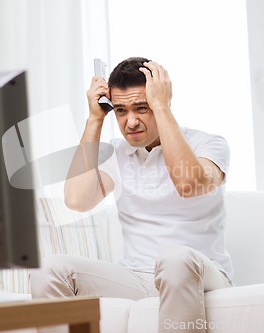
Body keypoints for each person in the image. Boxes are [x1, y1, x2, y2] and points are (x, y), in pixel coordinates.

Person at [31, 57, 234, 333]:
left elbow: (188, 185)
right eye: (121, 110)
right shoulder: (116, 153)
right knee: (50, 269)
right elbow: (76, 200)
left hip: (201, 274)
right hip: (136, 277)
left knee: (174, 259)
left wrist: (161, 106)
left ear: (161, 100)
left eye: (142, 108)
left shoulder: (209, 144)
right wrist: (95, 119)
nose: (131, 122)